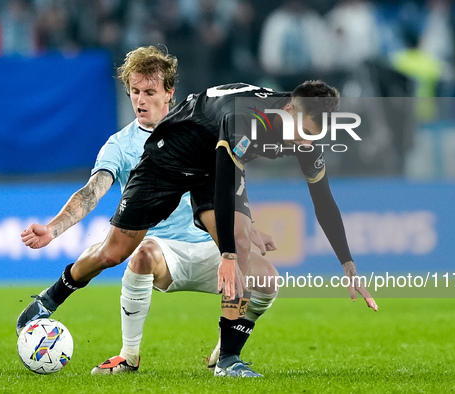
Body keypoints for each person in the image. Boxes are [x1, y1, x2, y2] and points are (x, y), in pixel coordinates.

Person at [18, 79, 378, 378]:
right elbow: (225, 175)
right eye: (301, 134)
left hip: (212, 161)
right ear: (288, 112)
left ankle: (228, 359)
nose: (303, 144)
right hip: (170, 156)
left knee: (244, 248)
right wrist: (227, 254)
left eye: (312, 138)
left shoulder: (305, 133)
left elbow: (323, 200)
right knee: (115, 252)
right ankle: (51, 298)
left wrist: (348, 264)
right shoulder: (249, 122)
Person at [18, 46, 278, 377]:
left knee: (268, 279)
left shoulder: (201, 129)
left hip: (211, 251)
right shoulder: (120, 145)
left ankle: (227, 353)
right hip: (164, 255)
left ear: (169, 93)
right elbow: (92, 191)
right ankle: (127, 355)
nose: (141, 100)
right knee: (138, 253)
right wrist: (53, 229)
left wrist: (248, 226)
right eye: (135, 91)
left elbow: (226, 186)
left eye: (150, 92)